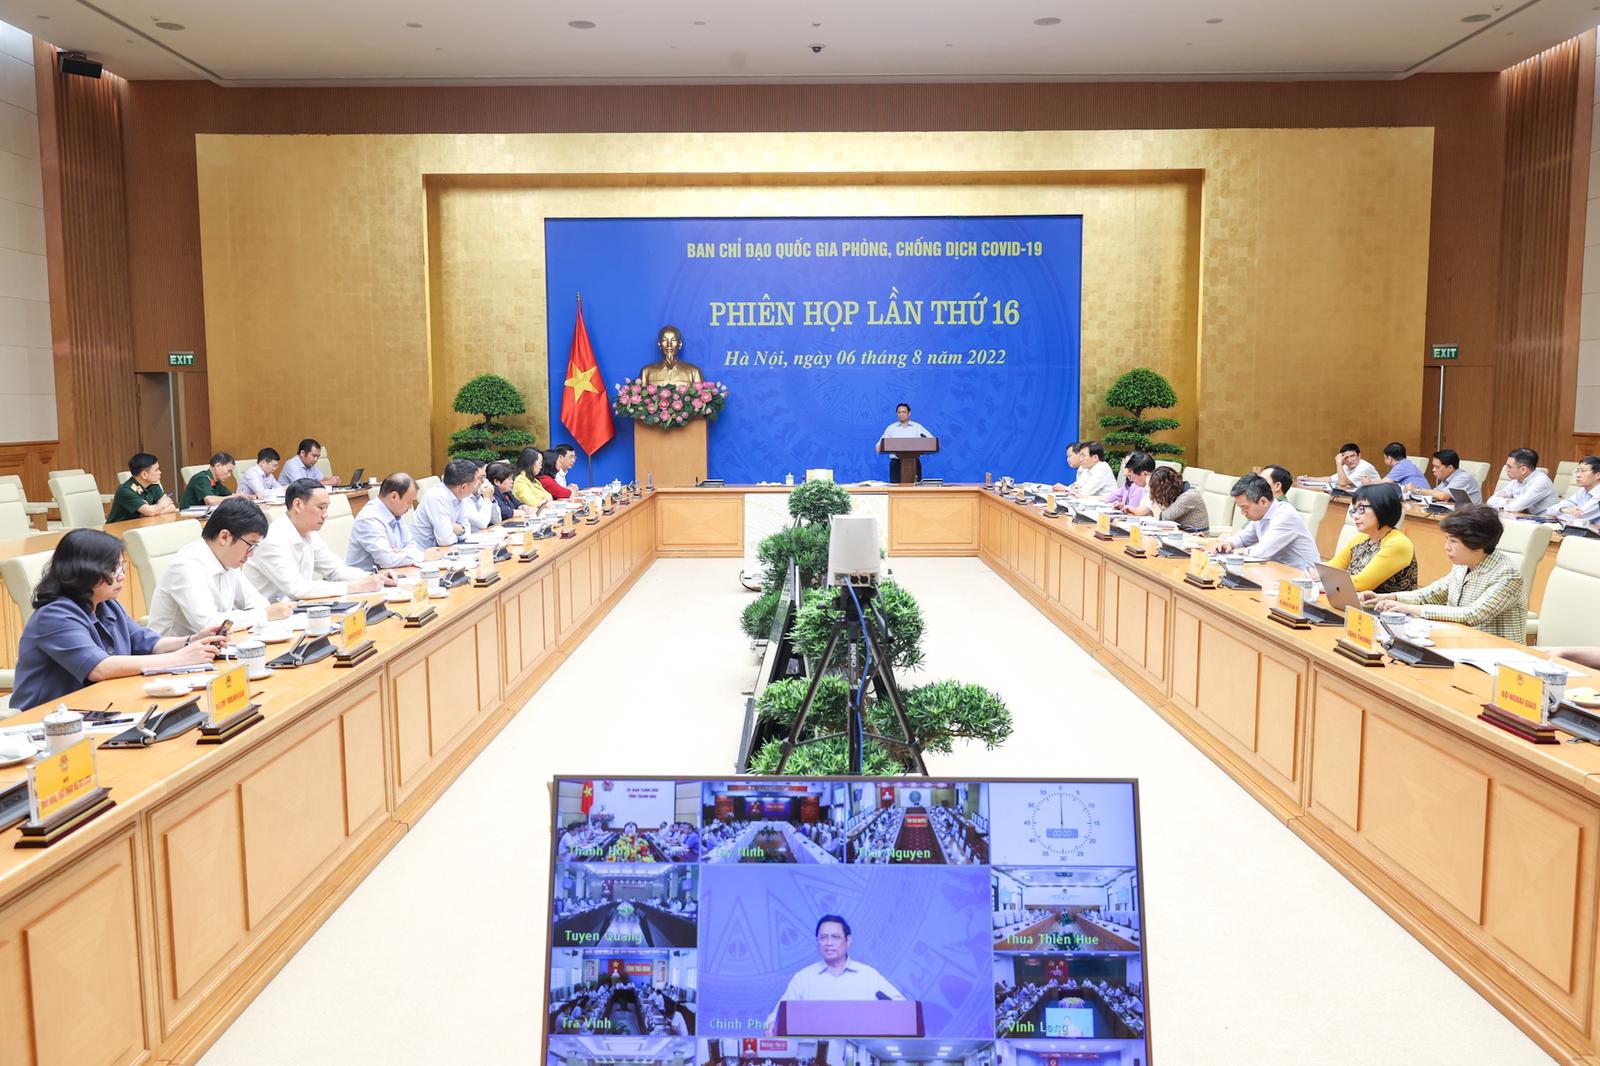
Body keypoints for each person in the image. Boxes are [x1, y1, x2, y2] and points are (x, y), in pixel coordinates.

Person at [9, 528, 227, 710]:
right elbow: (100, 668)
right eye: (113, 569)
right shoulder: (54, 615)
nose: (121, 576)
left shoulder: (106, 604)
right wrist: (179, 659)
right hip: (48, 721)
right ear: (84, 571)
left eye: (122, 567)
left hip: (101, 706)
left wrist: (191, 640)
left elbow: (148, 643)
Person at [1364, 505, 1527, 642]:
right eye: (1447, 539)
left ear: (1477, 543)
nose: (1446, 547)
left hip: (1498, 656)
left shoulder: (1507, 575)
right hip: (1458, 643)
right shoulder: (1462, 566)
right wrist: (1389, 598)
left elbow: (1472, 614)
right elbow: (1430, 594)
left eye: (1453, 541)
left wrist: (1410, 608)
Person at [146, 497, 295, 637]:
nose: (251, 554)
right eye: (250, 545)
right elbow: (210, 625)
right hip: (174, 652)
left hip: (211, 647)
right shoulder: (186, 566)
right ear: (224, 537)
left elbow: (256, 602)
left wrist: (267, 613)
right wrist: (264, 615)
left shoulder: (229, 561)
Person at [245, 478, 391, 600]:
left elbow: (335, 569)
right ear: (298, 505)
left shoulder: (309, 533)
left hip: (294, 608)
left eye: (327, 508)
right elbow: (297, 589)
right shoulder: (272, 538)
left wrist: (374, 577)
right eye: (321, 508)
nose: (326, 515)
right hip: (267, 615)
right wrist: (355, 586)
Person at [766, 915, 904, 1031]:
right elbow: (777, 1015)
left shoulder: (868, 975)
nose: (829, 943)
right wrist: (771, 1025)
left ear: (848, 941)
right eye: (823, 938)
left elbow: (901, 1006)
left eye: (836, 937)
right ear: (818, 941)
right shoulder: (803, 978)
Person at [1213, 473, 1320, 572]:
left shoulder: (1285, 515)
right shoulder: (1261, 514)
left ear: (1263, 501)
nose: (1243, 513)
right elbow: (1244, 538)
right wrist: (1229, 544)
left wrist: (1238, 552)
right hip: (1276, 570)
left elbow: (1262, 551)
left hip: (1303, 576)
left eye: (1245, 507)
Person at [1326, 482, 1417, 593]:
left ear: (1382, 508)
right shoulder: (1362, 538)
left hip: (1385, 604)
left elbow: (1360, 584)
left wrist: (1325, 578)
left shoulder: (1398, 543)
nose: (1355, 516)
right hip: (1354, 599)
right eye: (1354, 510)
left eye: (1361, 509)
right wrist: (1314, 573)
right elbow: (1332, 567)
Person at [346, 473, 444, 569]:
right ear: (394, 497)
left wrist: (399, 554)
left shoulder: (395, 512)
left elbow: (411, 545)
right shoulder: (369, 519)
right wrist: (422, 556)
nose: (410, 507)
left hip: (392, 572)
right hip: (367, 577)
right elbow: (386, 560)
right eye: (409, 502)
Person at [413, 459, 478, 549]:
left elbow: (467, 530)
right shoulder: (437, 496)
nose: (476, 486)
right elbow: (445, 540)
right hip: (423, 552)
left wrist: (460, 530)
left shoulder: (459, 496)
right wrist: (457, 531)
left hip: (442, 550)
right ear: (464, 487)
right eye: (475, 483)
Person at [107, 452, 177, 522]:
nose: (160, 472)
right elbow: (151, 512)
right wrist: (160, 506)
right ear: (144, 475)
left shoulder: (153, 486)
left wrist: (152, 511)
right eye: (156, 470)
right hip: (118, 527)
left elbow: (172, 507)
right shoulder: (126, 490)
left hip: (141, 524)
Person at [1486, 448, 1558, 515]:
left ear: (1523, 470)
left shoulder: (1541, 482)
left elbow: (1514, 508)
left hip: (1543, 521)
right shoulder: (1516, 480)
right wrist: (1509, 501)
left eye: (1509, 467)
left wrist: (1508, 503)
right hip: (1522, 518)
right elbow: (1490, 501)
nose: (1506, 469)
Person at [875, 402, 934, 482]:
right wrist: (879, 447)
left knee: (915, 488)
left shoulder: (917, 427)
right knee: (896, 487)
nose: (901, 414)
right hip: (896, 463)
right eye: (899, 412)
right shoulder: (891, 428)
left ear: (909, 413)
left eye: (904, 412)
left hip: (914, 462)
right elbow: (879, 445)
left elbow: (931, 441)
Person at [1140, 467, 1209, 532]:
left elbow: (1162, 519)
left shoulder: (1187, 497)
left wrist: (1152, 494)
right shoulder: (1176, 493)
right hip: (1181, 533)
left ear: (1165, 488)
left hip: (1195, 536)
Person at [1550, 455, 1600, 523]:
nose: (1578, 475)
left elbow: (1579, 517)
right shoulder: (1582, 491)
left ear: (1598, 475)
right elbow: (1550, 510)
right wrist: (1563, 509)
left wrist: (1560, 514)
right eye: (1578, 471)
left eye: (1583, 471)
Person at [462, 460, 502, 532]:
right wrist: (487, 498)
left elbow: (497, 520)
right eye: (480, 477)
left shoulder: (478, 495)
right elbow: (482, 524)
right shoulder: (463, 498)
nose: (484, 481)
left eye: (485, 477)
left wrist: (491, 499)